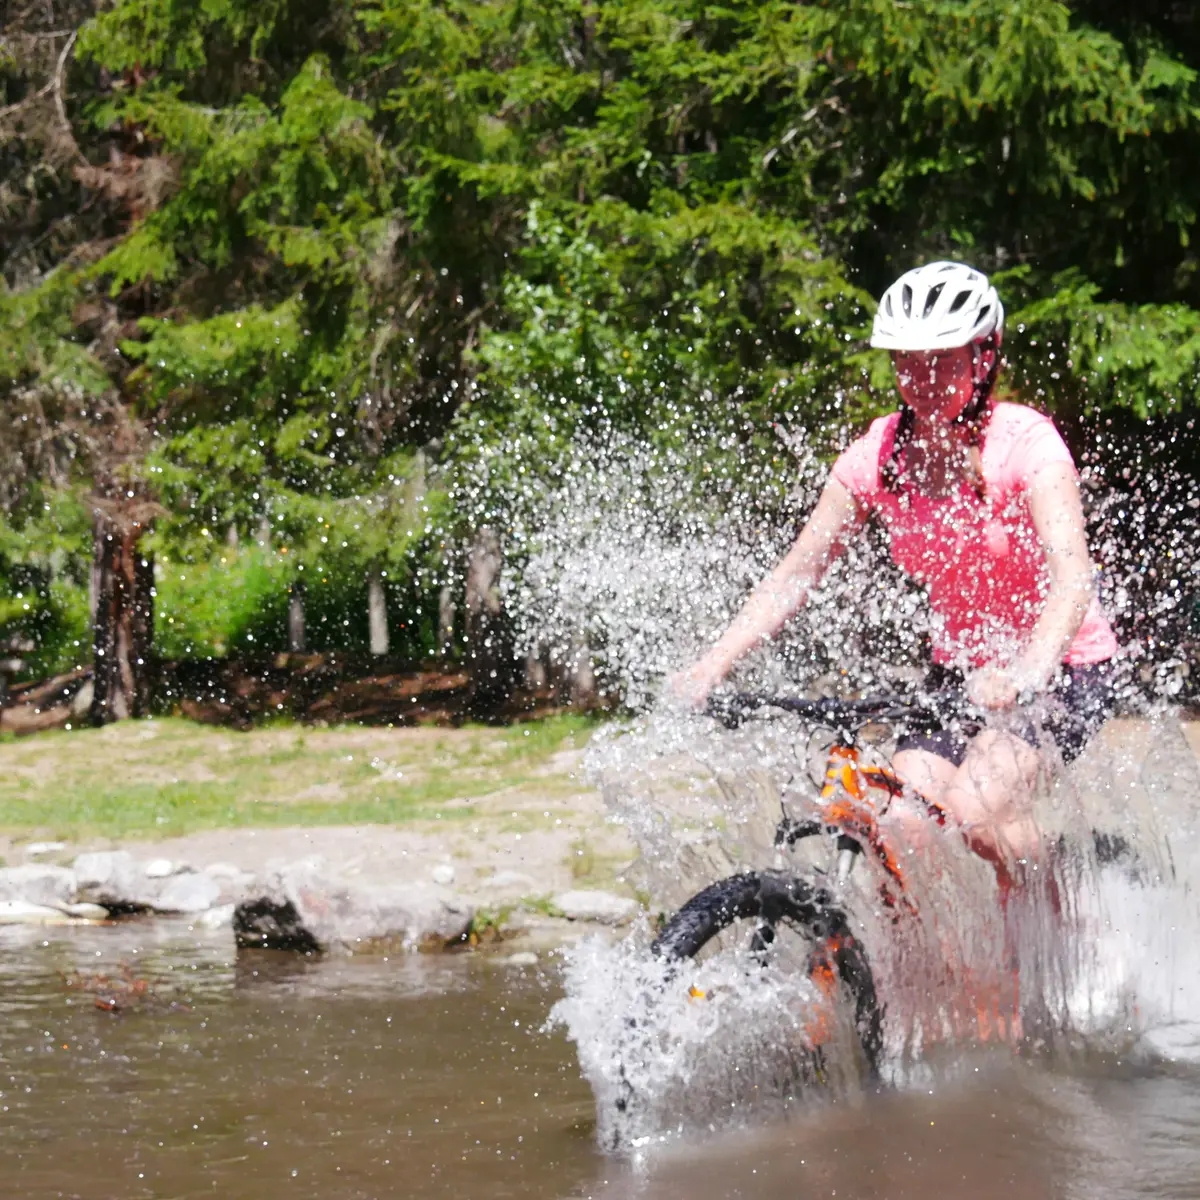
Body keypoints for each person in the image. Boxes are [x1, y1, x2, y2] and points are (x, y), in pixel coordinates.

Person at [672, 261, 1118, 884]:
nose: (922, 379)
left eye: (942, 361)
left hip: (1063, 665)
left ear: (984, 355)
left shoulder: (1026, 443)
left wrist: (1026, 670)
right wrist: (712, 664)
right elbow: (794, 575)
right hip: (960, 669)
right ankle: (941, 976)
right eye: (907, 362)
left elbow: (1072, 582)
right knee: (902, 822)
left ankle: (1066, 922)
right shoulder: (876, 457)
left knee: (980, 812)